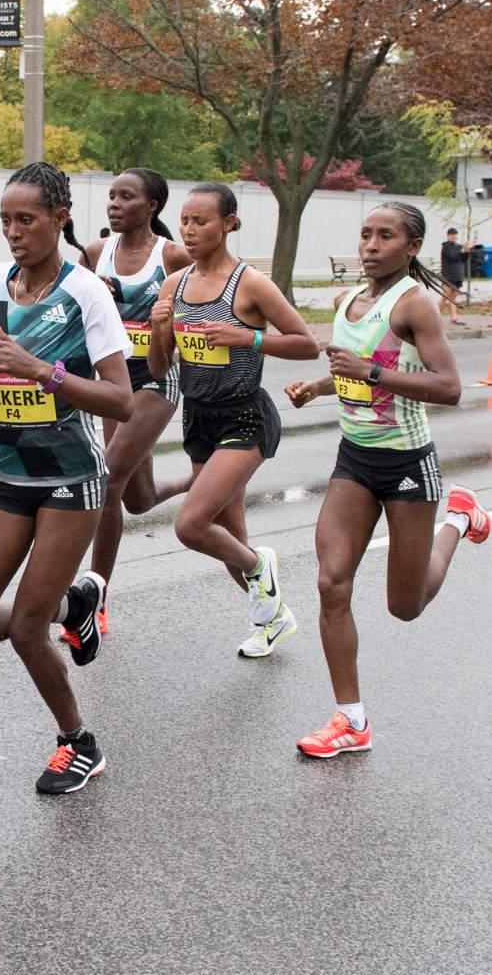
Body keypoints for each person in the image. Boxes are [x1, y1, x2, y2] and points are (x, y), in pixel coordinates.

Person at [0, 162, 134, 795]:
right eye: (5, 220)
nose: (14, 232)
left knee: (26, 628)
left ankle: (78, 742)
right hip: (5, 474)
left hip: (69, 481)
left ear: (60, 218)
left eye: (26, 219)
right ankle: (74, 603)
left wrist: (39, 369)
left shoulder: (86, 293)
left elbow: (121, 400)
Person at [286, 202, 492, 757]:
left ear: (411, 247)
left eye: (385, 236)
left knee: (406, 606)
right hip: (355, 459)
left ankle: (457, 518)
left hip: (407, 464)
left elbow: (448, 387)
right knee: (332, 584)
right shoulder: (347, 301)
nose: (371, 245)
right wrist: (319, 388)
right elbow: (354, 372)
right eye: (365, 234)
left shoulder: (415, 306)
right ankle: (351, 720)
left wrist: (369, 372)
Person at [146, 183, 319, 658]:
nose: (189, 229)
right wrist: (161, 328)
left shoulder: (251, 284)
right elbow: (161, 369)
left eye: (201, 221)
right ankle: (273, 619)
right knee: (230, 539)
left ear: (228, 223)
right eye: (184, 220)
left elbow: (307, 344)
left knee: (191, 525)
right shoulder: (173, 285)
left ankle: (262, 566)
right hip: (197, 418)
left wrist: (248, 338)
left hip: (245, 417)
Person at [69, 168, 193, 641]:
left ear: (152, 206)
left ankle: (93, 600)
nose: (114, 204)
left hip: (155, 380)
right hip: (112, 382)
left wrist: (167, 322)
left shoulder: (174, 258)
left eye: (127, 197)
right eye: (111, 196)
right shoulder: (96, 254)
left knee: (106, 481)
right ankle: (196, 480)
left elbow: (207, 306)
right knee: (136, 498)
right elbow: (72, 307)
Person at [439, 227, 468, 325]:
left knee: (453, 297)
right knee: (445, 296)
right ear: (448, 236)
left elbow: (463, 259)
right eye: (452, 234)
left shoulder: (459, 246)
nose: (454, 236)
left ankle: (454, 317)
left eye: (455, 234)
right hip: (448, 274)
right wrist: (462, 251)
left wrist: (466, 251)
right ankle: (435, 316)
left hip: (457, 274)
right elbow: (453, 257)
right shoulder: (446, 246)